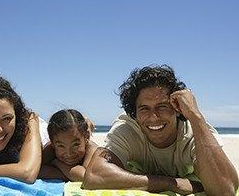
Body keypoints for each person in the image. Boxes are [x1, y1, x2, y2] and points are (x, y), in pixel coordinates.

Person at [82, 65, 238, 195]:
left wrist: (195, 116)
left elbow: (226, 190)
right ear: (134, 113)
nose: (153, 117)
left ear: (178, 109)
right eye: (144, 109)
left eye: (162, 107)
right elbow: (94, 175)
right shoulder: (127, 128)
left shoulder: (193, 132)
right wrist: (171, 183)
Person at [39, 109, 97, 181]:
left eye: (75, 144)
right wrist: (70, 175)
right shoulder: (50, 149)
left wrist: (56, 163)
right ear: (53, 143)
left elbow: (84, 176)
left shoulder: (91, 148)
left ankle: (89, 126)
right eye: (61, 146)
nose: (69, 153)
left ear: (86, 138)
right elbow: (36, 171)